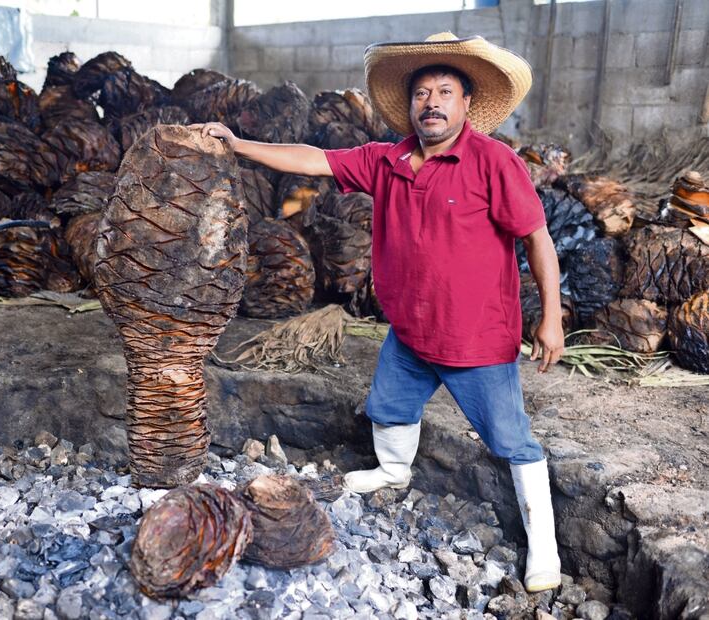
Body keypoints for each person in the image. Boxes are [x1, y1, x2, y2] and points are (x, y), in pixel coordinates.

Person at [193, 31, 564, 593]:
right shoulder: (386, 159)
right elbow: (314, 159)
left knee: (512, 441)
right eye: (421, 93)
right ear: (410, 104)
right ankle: (394, 469)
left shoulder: (494, 161)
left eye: (444, 92)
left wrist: (552, 318)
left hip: (477, 338)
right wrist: (237, 144)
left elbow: (537, 238)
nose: (431, 103)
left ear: (467, 104)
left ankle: (545, 548)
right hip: (410, 332)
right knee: (388, 408)